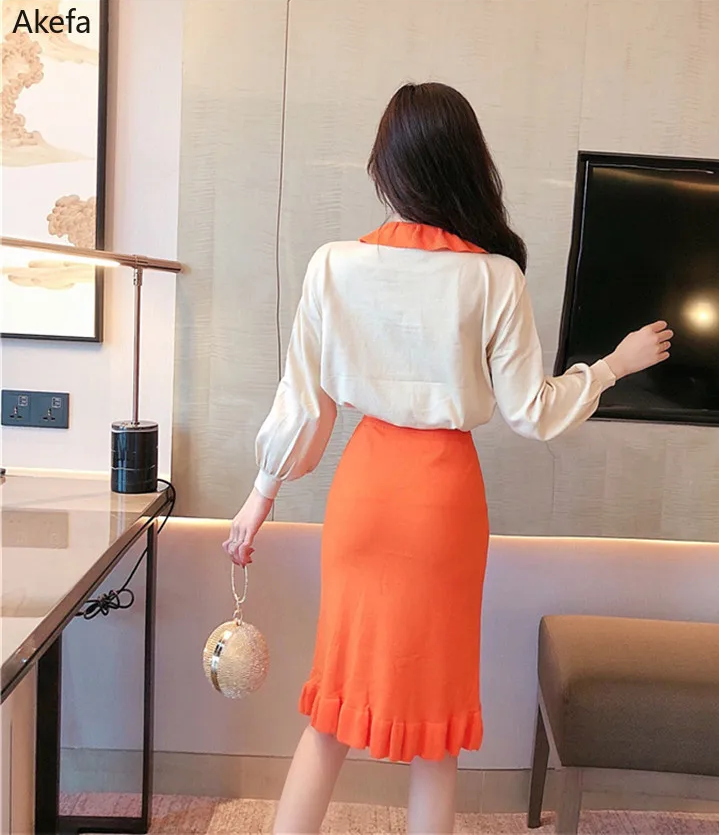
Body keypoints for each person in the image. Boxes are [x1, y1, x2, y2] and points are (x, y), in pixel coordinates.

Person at [224, 82, 672, 834]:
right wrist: (611, 366)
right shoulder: (495, 277)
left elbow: (305, 403)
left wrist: (259, 496)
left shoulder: (332, 266)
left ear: (386, 166)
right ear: (467, 164)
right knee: (436, 723)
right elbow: (534, 412)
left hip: (365, 491)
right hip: (443, 502)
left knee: (332, 706)